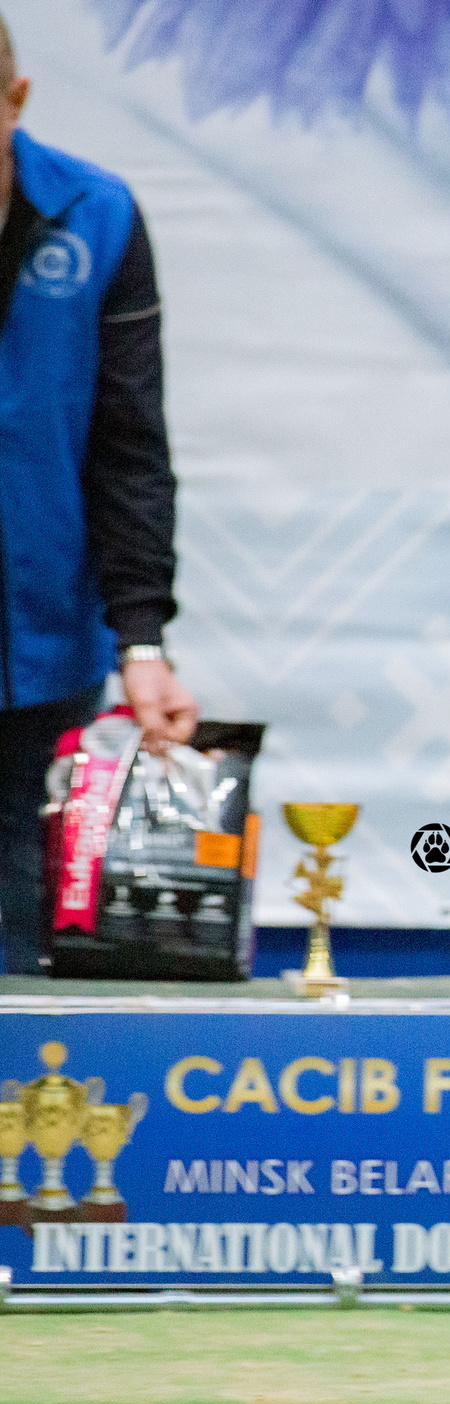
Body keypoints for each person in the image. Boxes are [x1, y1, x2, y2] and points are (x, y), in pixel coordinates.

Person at [0, 11, 197, 975]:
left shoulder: (99, 214)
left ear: (17, 100)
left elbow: (128, 446)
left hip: (45, 657)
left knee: (34, 945)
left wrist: (143, 635)